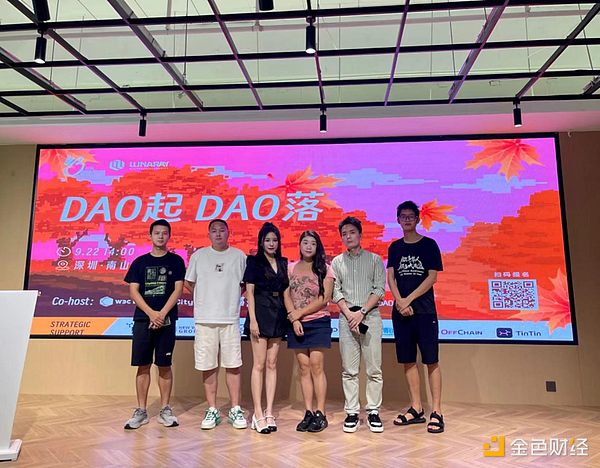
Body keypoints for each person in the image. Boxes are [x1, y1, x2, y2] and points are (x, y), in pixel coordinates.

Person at [387, 200, 445, 434]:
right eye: (403, 216)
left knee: (431, 360)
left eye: (411, 216)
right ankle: (416, 408)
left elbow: (432, 277)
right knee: (408, 360)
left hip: (424, 311)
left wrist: (407, 300)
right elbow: (390, 277)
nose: (407, 219)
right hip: (401, 313)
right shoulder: (395, 247)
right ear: (398, 220)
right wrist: (399, 302)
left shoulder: (429, 245)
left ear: (418, 219)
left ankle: (437, 411)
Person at [184, 219, 247, 431]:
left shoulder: (239, 256)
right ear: (208, 234)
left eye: (222, 230)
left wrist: (231, 298)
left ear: (229, 233)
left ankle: (235, 408)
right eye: (214, 231)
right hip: (204, 319)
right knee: (208, 365)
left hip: (230, 319)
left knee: (233, 364)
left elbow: (245, 284)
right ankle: (212, 409)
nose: (218, 234)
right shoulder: (199, 256)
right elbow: (189, 282)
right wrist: (204, 298)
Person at [123, 219, 186, 430]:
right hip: (143, 320)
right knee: (143, 365)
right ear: (150, 235)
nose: (160, 236)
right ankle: (141, 411)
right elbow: (133, 291)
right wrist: (151, 314)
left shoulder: (176, 261)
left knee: (164, 365)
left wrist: (162, 314)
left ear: (169, 236)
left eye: (164, 233)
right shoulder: (140, 262)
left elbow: (178, 289)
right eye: (157, 233)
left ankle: (165, 409)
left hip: (167, 320)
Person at [332, 216, 386, 433]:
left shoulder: (374, 260)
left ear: (360, 235)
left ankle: (373, 411)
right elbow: (336, 291)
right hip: (347, 320)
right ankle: (352, 412)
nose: (348, 237)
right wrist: (349, 315)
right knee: (349, 370)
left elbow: (379, 289)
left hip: (370, 318)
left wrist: (361, 312)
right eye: (344, 234)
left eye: (352, 232)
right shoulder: (337, 262)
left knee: (374, 369)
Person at [284, 231, 335, 433]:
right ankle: (308, 412)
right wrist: (294, 317)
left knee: (316, 366)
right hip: (296, 324)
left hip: (318, 321)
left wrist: (300, 313)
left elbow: (325, 298)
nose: (308, 246)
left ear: (317, 246)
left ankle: (320, 413)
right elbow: (286, 294)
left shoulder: (325, 269)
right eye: (305, 242)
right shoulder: (290, 268)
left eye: (312, 243)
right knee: (303, 368)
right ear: (300, 245)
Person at [243, 222, 289, 434]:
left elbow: (285, 291)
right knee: (259, 364)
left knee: (272, 363)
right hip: (260, 313)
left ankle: (269, 411)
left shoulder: (283, 262)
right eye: (268, 240)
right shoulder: (253, 262)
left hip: (278, 313)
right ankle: (257, 414)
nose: (271, 243)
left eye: (275, 240)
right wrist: (253, 320)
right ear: (261, 242)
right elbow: (250, 293)